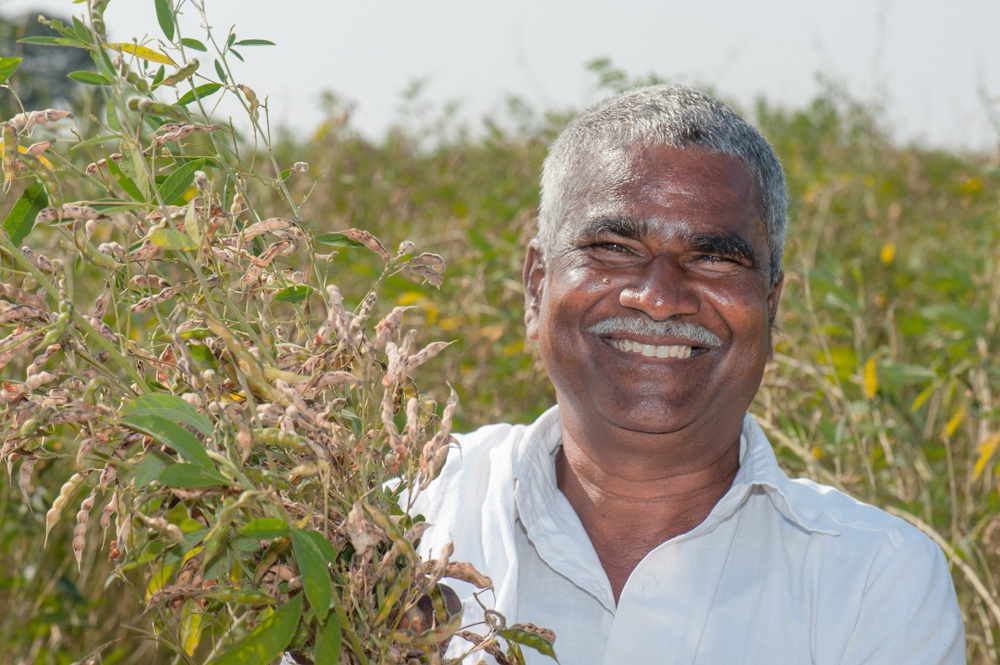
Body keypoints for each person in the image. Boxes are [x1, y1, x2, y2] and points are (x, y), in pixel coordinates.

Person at [411, 85, 965, 664]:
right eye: (614, 246)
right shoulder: (403, 515)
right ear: (536, 286)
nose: (659, 297)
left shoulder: (877, 581)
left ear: (771, 307)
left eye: (714, 258)